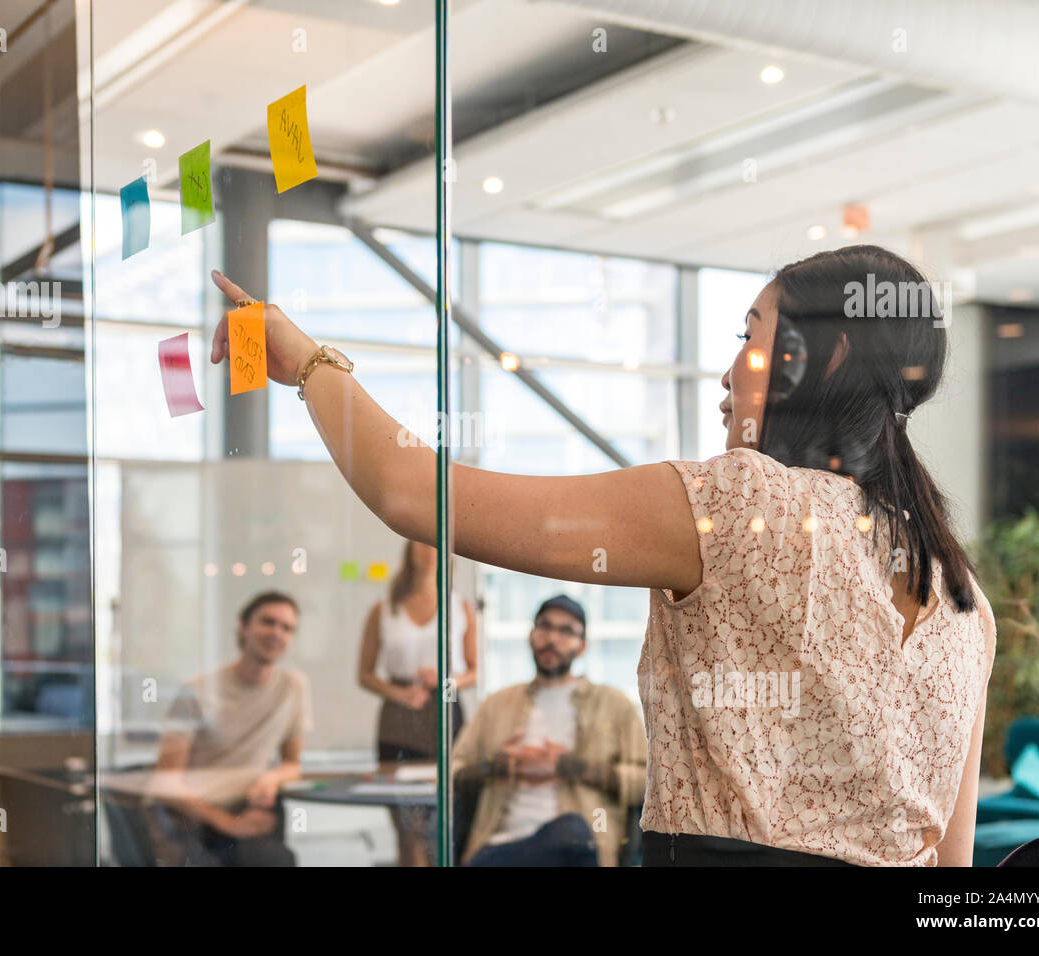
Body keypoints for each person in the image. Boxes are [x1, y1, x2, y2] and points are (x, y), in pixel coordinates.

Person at [207, 243, 997, 867]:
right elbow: (950, 865)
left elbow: (415, 494)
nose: (728, 374)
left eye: (750, 340)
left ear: (819, 360)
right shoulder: (964, 598)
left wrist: (305, 361)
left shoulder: (736, 502)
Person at [452, 594, 646, 867]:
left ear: (582, 647)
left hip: (579, 849)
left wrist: (574, 768)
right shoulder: (496, 705)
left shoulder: (613, 705)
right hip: (501, 847)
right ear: (531, 636)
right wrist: (497, 766)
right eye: (544, 626)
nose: (552, 638)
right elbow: (451, 772)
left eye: (566, 630)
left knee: (572, 831)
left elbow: (649, 782)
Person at [147, 591, 311, 866]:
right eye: (267, 622)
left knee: (272, 856)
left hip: (248, 810)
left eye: (287, 628)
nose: (276, 633)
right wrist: (229, 823)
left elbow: (292, 764)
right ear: (243, 627)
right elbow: (165, 783)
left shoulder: (293, 687)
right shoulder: (197, 690)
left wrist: (270, 779)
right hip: (193, 818)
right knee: (271, 859)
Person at [358, 539, 477, 866]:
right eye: (421, 543)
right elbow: (364, 674)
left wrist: (446, 681)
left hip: (446, 712)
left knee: (442, 819)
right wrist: (400, 693)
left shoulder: (461, 607)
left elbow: (475, 670)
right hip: (398, 717)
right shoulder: (384, 609)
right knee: (404, 822)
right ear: (409, 550)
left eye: (436, 545)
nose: (429, 551)